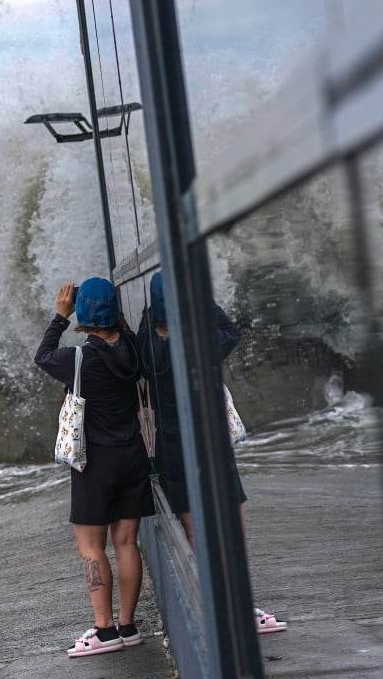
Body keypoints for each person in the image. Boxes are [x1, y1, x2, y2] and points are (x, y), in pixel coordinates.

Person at [137, 271, 288, 634]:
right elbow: (231, 330)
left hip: (173, 448)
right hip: (210, 445)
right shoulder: (198, 344)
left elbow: (142, 327)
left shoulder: (144, 348)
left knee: (195, 535)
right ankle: (238, 606)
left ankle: (213, 607)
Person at [34, 277, 155, 658]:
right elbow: (126, 331)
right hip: (133, 455)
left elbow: (42, 355)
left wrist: (59, 316)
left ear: (82, 316)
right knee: (125, 543)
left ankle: (104, 632)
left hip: (96, 463)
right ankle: (128, 626)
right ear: (117, 313)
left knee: (90, 546)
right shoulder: (134, 349)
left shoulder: (78, 359)